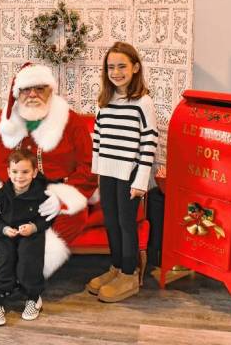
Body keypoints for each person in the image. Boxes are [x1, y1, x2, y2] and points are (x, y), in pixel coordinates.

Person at [0, 63, 97, 304]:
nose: (32, 94)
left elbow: (88, 168)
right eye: (26, 89)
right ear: (16, 93)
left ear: (50, 91)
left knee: (75, 214)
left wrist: (61, 196)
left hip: (49, 194)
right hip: (7, 192)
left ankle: (7, 279)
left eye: (39, 88)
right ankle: (16, 278)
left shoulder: (71, 122)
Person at [87, 41, 158, 302]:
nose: (116, 72)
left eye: (122, 66)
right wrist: (98, 173)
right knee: (112, 223)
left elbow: (149, 141)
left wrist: (141, 180)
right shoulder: (104, 101)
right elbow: (98, 139)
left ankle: (129, 274)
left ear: (135, 68)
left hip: (130, 174)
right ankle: (116, 268)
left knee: (127, 225)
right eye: (110, 67)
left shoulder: (143, 102)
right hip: (107, 172)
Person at [0, 150, 51, 326]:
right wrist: (4, 228)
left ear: (34, 173)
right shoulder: (2, 193)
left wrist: (34, 227)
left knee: (28, 256)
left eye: (25, 172)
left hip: (30, 233)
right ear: (8, 172)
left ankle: (33, 296)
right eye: (15, 172)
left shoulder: (41, 194)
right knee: (5, 258)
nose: (20, 177)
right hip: (7, 233)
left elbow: (47, 217)